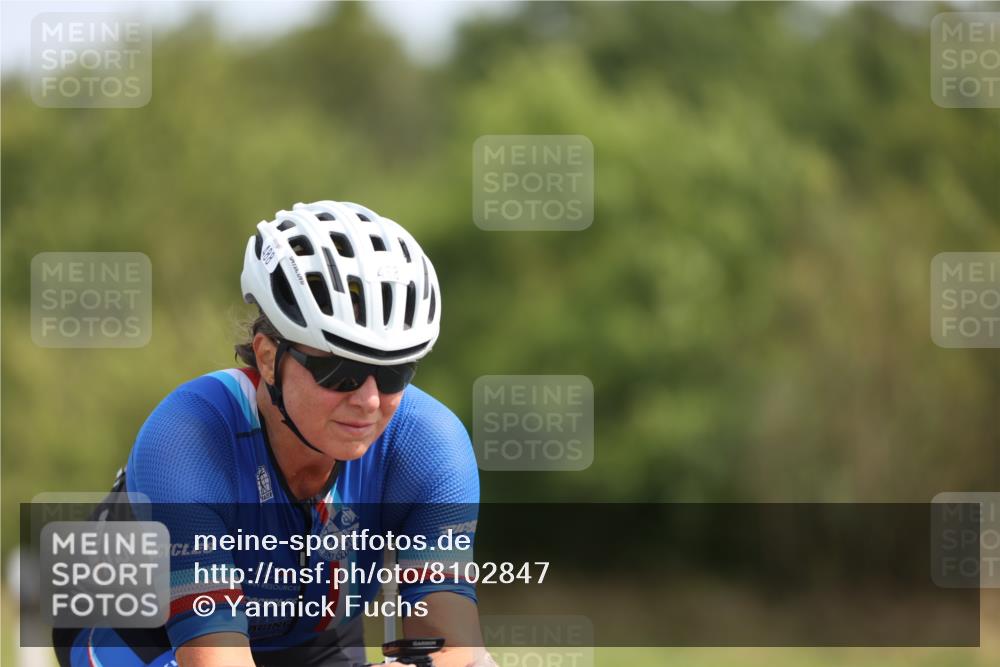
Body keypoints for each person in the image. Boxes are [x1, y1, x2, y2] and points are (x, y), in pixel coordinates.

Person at [54, 201, 494, 667]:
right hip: (140, 631)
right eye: (340, 371)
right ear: (267, 357)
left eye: (393, 373)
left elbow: (452, 648)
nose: (368, 400)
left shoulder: (429, 443)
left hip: (309, 633)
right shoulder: (185, 439)